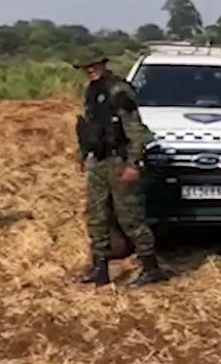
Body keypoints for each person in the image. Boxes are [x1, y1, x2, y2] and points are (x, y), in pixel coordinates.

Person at [72, 49, 169, 287]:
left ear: (103, 64)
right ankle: (100, 269)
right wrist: (83, 155)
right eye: (86, 67)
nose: (90, 70)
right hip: (99, 161)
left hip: (119, 161)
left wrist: (133, 164)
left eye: (93, 65)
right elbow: (91, 126)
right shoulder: (91, 91)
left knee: (130, 218)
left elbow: (135, 130)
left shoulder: (119, 91)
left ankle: (151, 268)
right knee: (97, 216)